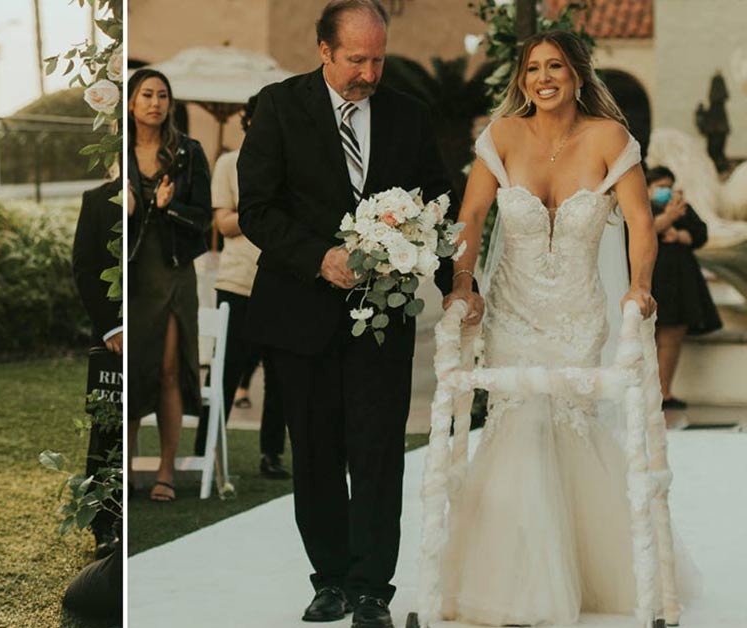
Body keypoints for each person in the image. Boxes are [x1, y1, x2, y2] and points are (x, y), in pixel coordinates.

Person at [237, 2, 455, 625]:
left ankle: (370, 590)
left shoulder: (410, 116)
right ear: (325, 50)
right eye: (357, 59)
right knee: (315, 450)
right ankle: (329, 577)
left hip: (383, 315)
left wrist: (453, 280)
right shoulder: (279, 108)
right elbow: (257, 208)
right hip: (298, 311)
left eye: (378, 58)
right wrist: (320, 257)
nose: (369, 72)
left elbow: (437, 202)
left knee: (379, 449)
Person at [441, 29, 668, 625]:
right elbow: (470, 217)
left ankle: (580, 572)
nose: (544, 78)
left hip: (577, 312)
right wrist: (463, 284)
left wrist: (639, 284)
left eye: (556, 67)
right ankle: (519, 586)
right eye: (533, 68)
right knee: (522, 423)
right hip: (513, 308)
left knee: (566, 423)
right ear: (522, 79)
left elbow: (641, 223)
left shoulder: (609, 138)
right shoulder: (501, 137)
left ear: (577, 75)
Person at [126, 68, 211, 503]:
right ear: (130, 103)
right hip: (133, 276)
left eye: (162, 96)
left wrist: (170, 205)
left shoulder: (189, 153)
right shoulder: (115, 155)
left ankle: (166, 470)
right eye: (146, 95)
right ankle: (122, 474)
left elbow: (205, 219)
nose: (155, 103)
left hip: (174, 271)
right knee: (132, 371)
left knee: (168, 369)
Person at [208, 94, 289, 479]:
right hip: (237, 281)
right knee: (226, 371)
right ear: (249, 122)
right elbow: (223, 224)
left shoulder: (290, 167)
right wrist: (263, 213)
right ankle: (207, 450)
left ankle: (271, 454)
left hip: (281, 283)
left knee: (280, 376)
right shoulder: (228, 164)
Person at [72, 176, 123, 555]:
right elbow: (85, 268)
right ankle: (104, 524)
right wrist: (112, 327)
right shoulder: (96, 200)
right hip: (112, 335)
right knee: (106, 426)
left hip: (156, 316)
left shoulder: (168, 187)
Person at [645, 166, 721, 410]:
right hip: (651, 280)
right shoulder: (639, 206)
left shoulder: (683, 209)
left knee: (672, 336)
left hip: (679, 282)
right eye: (659, 187)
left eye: (668, 186)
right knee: (646, 339)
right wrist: (666, 219)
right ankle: (644, 394)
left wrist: (680, 234)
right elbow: (638, 232)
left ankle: (664, 392)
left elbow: (701, 234)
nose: (665, 191)